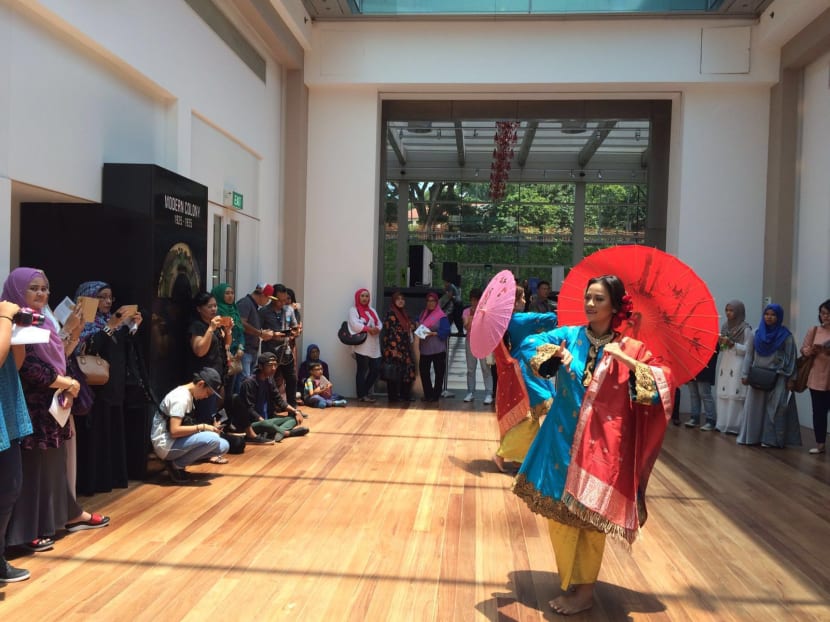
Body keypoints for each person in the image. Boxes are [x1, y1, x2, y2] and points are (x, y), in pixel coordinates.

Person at [513, 275, 673, 615]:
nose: (590, 304)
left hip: (602, 445)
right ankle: (571, 578)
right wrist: (555, 355)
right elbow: (528, 345)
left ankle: (584, 590)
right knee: (560, 513)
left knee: (590, 519)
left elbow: (660, 387)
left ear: (615, 306)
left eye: (598, 299)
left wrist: (628, 363)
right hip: (561, 437)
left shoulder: (631, 347)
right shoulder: (570, 335)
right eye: (588, 297)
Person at [2, 268, 110, 553]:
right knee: (31, 469)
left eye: (44, 288)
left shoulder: (43, 319)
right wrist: (65, 381)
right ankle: (26, 530)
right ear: (18, 290)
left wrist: (73, 331)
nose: (40, 294)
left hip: (52, 404)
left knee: (52, 466)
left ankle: (62, 515)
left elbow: (61, 353)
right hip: (31, 404)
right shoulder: (15, 321)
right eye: (33, 288)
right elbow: (26, 367)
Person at [73, 280, 143, 496]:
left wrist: (131, 327)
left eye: (109, 297)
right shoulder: (80, 322)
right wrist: (111, 326)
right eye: (101, 297)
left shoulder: (109, 322)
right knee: (95, 436)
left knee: (111, 433)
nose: (106, 301)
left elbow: (120, 350)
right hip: (92, 391)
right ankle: (92, 482)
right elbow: (88, 347)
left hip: (113, 389)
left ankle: (111, 477)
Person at [494, 283, 558, 472]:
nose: (525, 301)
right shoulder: (520, 319)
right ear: (512, 303)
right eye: (521, 298)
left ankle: (519, 458)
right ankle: (503, 454)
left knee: (526, 414)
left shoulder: (502, 322)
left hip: (516, 368)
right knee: (529, 415)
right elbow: (550, 319)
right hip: (526, 370)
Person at [0, 298, 33, 582]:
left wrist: (18, 332)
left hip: (5, 412)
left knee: (9, 487)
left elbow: (16, 362)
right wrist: (6, 319)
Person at [150, 368, 230, 483]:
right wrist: (202, 427)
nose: (206, 397)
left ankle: (177, 462)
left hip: (174, 440)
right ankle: (176, 465)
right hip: (165, 444)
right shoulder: (180, 398)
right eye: (207, 393)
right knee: (213, 439)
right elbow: (174, 430)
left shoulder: (188, 395)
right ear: (201, 384)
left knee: (223, 446)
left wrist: (208, 429)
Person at [738, 303, 799, 447]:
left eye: (773, 315)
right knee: (755, 408)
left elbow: (791, 358)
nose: (769, 317)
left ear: (779, 317)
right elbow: (749, 355)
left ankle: (770, 440)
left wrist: (792, 378)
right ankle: (752, 438)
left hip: (778, 377)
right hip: (758, 375)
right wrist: (745, 373)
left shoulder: (786, 336)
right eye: (767, 314)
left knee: (775, 409)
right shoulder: (756, 333)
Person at [233, 353, 308, 440]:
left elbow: (279, 400)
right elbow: (249, 409)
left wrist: (296, 412)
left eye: (275, 365)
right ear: (260, 366)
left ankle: (275, 433)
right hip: (254, 423)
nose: (273, 368)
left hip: (269, 419)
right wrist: (262, 421)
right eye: (270, 365)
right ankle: (287, 433)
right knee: (266, 424)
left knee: (293, 419)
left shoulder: (270, 380)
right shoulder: (248, 383)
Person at [189, 291, 231, 425]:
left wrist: (228, 331)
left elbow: (226, 345)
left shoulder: (216, 325)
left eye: (215, 305)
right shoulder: (198, 326)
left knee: (217, 414)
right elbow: (199, 351)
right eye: (209, 306)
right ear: (199, 309)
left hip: (219, 376)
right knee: (205, 415)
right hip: (205, 378)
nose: (214, 309)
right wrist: (211, 329)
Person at [258, 284, 300, 408]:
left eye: (285, 299)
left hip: (286, 351)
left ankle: (293, 409)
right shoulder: (263, 312)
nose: (282, 303)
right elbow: (258, 332)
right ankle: (271, 410)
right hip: (270, 352)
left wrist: (295, 332)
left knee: (291, 379)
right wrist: (272, 335)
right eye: (279, 300)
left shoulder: (289, 310)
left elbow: (295, 326)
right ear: (272, 298)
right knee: (271, 381)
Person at [715, 300, 753, 434]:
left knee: (734, 392)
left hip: (738, 362)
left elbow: (749, 349)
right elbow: (722, 348)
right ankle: (723, 424)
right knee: (724, 391)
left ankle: (735, 426)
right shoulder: (725, 326)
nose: (728, 313)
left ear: (739, 312)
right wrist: (722, 343)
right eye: (727, 310)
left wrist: (733, 344)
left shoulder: (745, 328)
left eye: (731, 310)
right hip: (726, 361)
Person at [800, 299, 830, 454]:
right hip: (817, 376)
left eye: (829, 313)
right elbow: (803, 349)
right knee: (819, 411)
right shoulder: (814, 330)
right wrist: (811, 350)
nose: (826, 316)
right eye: (823, 313)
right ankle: (820, 443)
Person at [381, 291, 416, 403]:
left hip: (404, 348)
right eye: (398, 299)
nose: (400, 301)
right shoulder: (391, 313)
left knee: (407, 370)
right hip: (394, 348)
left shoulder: (404, 313)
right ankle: (394, 397)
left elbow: (409, 326)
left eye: (402, 299)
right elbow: (387, 332)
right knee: (394, 373)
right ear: (394, 301)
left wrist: (413, 325)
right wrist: (392, 349)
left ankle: (405, 395)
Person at [348, 288, 382, 403]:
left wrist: (377, 329)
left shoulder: (371, 309)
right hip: (362, 345)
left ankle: (365, 392)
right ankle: (362, 395)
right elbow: (354, 325)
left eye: (367, 296)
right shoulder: (353, 310)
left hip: (373, 345)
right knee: (362, 370)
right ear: (358, 297)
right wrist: (368, 329)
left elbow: (379, 323)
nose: (364, 298)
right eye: (362, 296)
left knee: (376, 369)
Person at [416, 292, 451, 403]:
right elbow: (417, 322)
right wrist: (416, 324)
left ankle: (435, 396)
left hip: (438, 349)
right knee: (424, 372)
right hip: (425, 349)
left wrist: (434, 333)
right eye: (428, 301)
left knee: (439, 373)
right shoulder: (423, 314)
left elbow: (446, 331)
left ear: (436, 302)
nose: (430, 303)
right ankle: (428, 394)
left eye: (433, 301)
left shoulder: (441, 316)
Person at [235, 283, 275, 378]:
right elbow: (241, 323)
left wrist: (263, 333)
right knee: (244, 383)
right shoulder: (245, 303)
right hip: (244, 351)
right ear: (262, 295)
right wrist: (260, 333)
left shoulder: (253, 305)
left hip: (251, 351)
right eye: (268, 298)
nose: (268, 301)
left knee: (248, 382)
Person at [212, 283, 245, 396]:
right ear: (220, 295)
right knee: (221, 389)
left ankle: (230, 411)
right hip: (223, 355)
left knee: (233, 389)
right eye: (227, 293)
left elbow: (240, 332)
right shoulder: (216, 312)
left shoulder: (235, 310)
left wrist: (241, 347)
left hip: (235, 356)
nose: (230, 296)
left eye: (232, 293)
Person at [462, 288, 493, 404]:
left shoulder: (486, 312)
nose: (474, 303)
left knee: (486, 368)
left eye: (477, 300)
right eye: (472, 300)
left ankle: (489, 393)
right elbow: (466, 327)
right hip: (470, 341)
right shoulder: (466, 312)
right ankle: (470, 392)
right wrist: (471, 316)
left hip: (483, 342)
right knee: (470, 369)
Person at [683, 349, 718, 431]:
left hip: (705, 365)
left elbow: (715, 350)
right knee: (693, 393)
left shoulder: (713, 337)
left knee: (704, 393)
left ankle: (710, 420)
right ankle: (695, 417)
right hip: (692, 362)